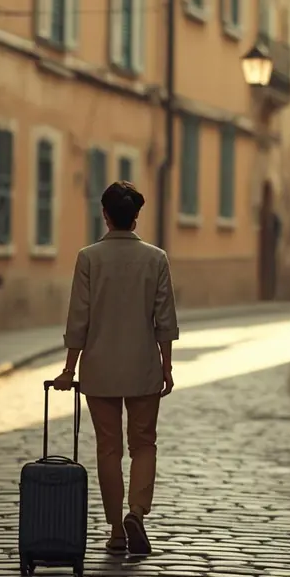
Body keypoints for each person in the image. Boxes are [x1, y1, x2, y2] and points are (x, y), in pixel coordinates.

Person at [52, 181, 178, 556]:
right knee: (144, 444)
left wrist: (68, 369)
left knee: (108, 448)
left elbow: (79, 318)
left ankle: (116, 531)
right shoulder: (156, 259)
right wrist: (166, 365)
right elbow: (165, 318)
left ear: (105, 215)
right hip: (143, 368)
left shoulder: (89, 258)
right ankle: (136, 511)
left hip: (100, 369)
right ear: (136, 217)